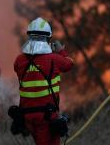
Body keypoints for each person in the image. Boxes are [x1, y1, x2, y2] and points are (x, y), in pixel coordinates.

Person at [13, 17, 74, 145]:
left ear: (29, 37)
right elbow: (69, 64)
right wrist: (60, 51)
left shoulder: (19, 60)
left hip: (26, 116)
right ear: (48, 38)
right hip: (46, 116)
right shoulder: (53, 59)